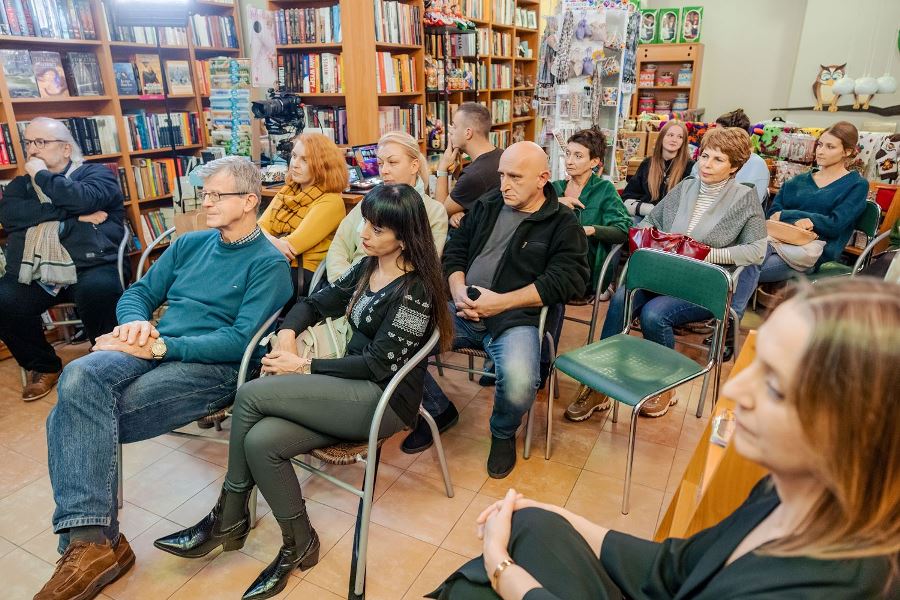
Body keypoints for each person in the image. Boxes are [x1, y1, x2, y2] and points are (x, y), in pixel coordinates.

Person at [429, 277, 899, 600]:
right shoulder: (788, 492)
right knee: (533, 522)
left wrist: (500, 566)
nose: (736, 390)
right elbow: (674, 567)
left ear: (856, 426)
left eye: (773, 385)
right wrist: (558, 512)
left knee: (479, 584)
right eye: (753, 366)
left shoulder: (829, 586)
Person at [152, 184, 454, 600]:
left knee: (250, 395)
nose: (363, 233)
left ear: (405, 237)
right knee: (260, 442)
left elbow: (377, 365)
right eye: (365, 222)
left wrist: (303, 365)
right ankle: (300, 543)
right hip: (346, 387)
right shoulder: (369, 266)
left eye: (377, 229)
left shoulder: (416, 290)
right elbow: (313, 303)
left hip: (383, 400)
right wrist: (288, 335)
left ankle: (227, 517)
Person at [33, 156, 292, 600]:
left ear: (250, 201)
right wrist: (136, 324)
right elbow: (139, 292)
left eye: (217, 195)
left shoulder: (269, 264)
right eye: (205, 194)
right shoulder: (190, 244)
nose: (205, 202)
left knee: (72, 417)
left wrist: (161, 347)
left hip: (213, 368)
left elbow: (239, 341)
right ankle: (95, 545)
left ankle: (94, 546)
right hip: (155, 344)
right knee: (77, 376)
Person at [400, 142, 590, 479]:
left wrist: (500, 302)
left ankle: (502, 432)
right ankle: (438, 410)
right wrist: (457, 289)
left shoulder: (562, 223)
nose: (504, 185)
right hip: (461, 307)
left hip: (514, 319)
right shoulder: (489, 204)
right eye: (502, 175)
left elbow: (570, 281)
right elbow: (455, 251)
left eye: (515, 177)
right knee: (398, 337)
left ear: (542, 178)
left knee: (520, 382)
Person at [568, 127, 765, 422]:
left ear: (734, 166)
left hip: (703, 285)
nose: (706, 165)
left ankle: (664, 387)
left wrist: (708, 254)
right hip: (665, 275)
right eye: (705, 156)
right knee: (621, 298)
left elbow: (757, 250)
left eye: (718, 160)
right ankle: (598, 384)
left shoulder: (745, 198)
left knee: (654, 315)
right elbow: (649, 221)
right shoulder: (687, 186)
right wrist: (658, 239)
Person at [0, 117, 126, 401]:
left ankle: (106, 361)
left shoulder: (96, 174)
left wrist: (43, 178)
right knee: (3, 299)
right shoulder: (21, 185)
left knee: (100, 290)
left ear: (66, 149)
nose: (32, 150)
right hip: (39, 271)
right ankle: (44, 366)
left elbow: (83, 199)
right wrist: (72, 217)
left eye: (41, 142)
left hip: (90, 265)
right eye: (28, 143)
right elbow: (10, 217)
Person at [325, 131, 448, 282]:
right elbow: (339, 245)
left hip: (389, 291)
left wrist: (367, 289)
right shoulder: (369, 201)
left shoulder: (434, 211)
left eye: (393, 162)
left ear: (414, 166)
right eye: (380, 164)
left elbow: (422, 266)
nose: (383, 171)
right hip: (346, 283)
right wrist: (342, 281)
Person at [758, 121, 868, 284]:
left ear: (847, 151)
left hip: (813, 254)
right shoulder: (797, 181)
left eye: (830, 147)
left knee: (746, 270)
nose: (821, 151)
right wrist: (799, 219)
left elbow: (834, 225)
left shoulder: (856, 185)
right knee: (737, 263)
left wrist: (788, 215)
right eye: (820, 145)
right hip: (777, 241)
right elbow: (773, 215)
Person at [257, 132, 347, 300]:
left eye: (305, 160)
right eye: (294, 156)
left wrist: (262, 238)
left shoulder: (331, 201)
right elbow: (257, 229)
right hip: (273, 262)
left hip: (301, 273)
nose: (295, 164)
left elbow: (291, 247)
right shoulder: (287, 191)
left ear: (323, 165)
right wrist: (270, 240)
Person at [551, 127, 630, 298]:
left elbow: (623, 230)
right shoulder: (554, 189)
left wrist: (591, 230)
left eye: (578, 156)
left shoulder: (604, 189)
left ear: (594, 162)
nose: (569, 161)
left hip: (584, 269)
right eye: (568, 153)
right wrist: (556, 202)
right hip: (551, 260)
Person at [435, 102, 504, 228]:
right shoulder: (502, 155)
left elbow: (439, 213)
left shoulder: (474, 175)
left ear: (468, 133)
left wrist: (442, 168)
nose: (450, 132)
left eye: (454, 127)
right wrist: (453, 212)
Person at [691, 109, 770, 203]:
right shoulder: (707, 157)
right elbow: (692, 188)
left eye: (719, 134)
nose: (715, 137)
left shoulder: (756, 164)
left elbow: (750, 202)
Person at [621, 120, 693, 221]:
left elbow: (689, 204)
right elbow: (627, 196)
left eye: (680, 137)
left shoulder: (690, 167)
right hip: (644, 218)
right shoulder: (647, 164)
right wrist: (646, 209)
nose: (674, 140)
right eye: (670, 135)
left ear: (683, 142)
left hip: (672, 222)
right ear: (662, 137)